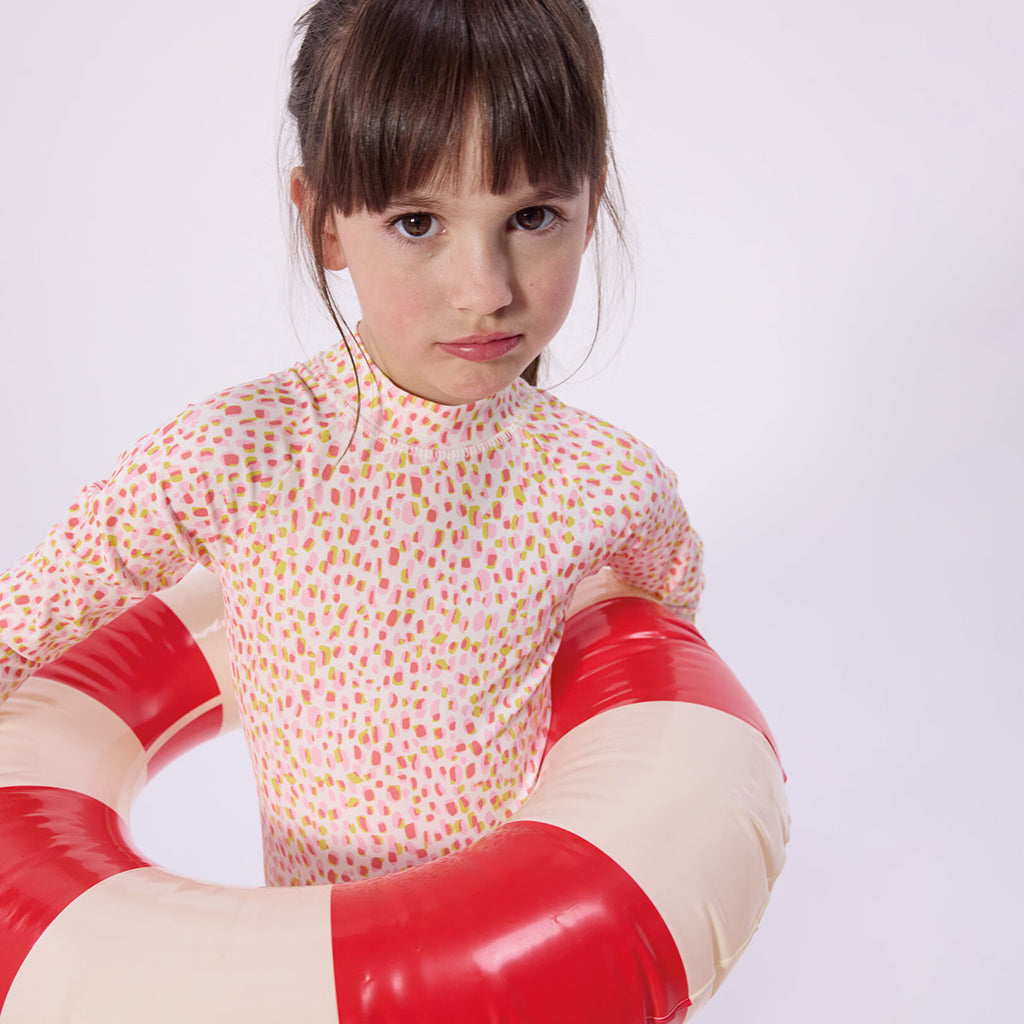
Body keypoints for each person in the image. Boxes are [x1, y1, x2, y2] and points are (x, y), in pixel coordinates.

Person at [0, 0, 703, 887]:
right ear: (325, 220)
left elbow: (661, 648)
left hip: (522, 967)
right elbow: (23, 622)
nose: (485, 291)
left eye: (533, 217)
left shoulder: (609, 483)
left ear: (591, 203)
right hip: (308, 973)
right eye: (417, 223)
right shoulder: (239, 455)